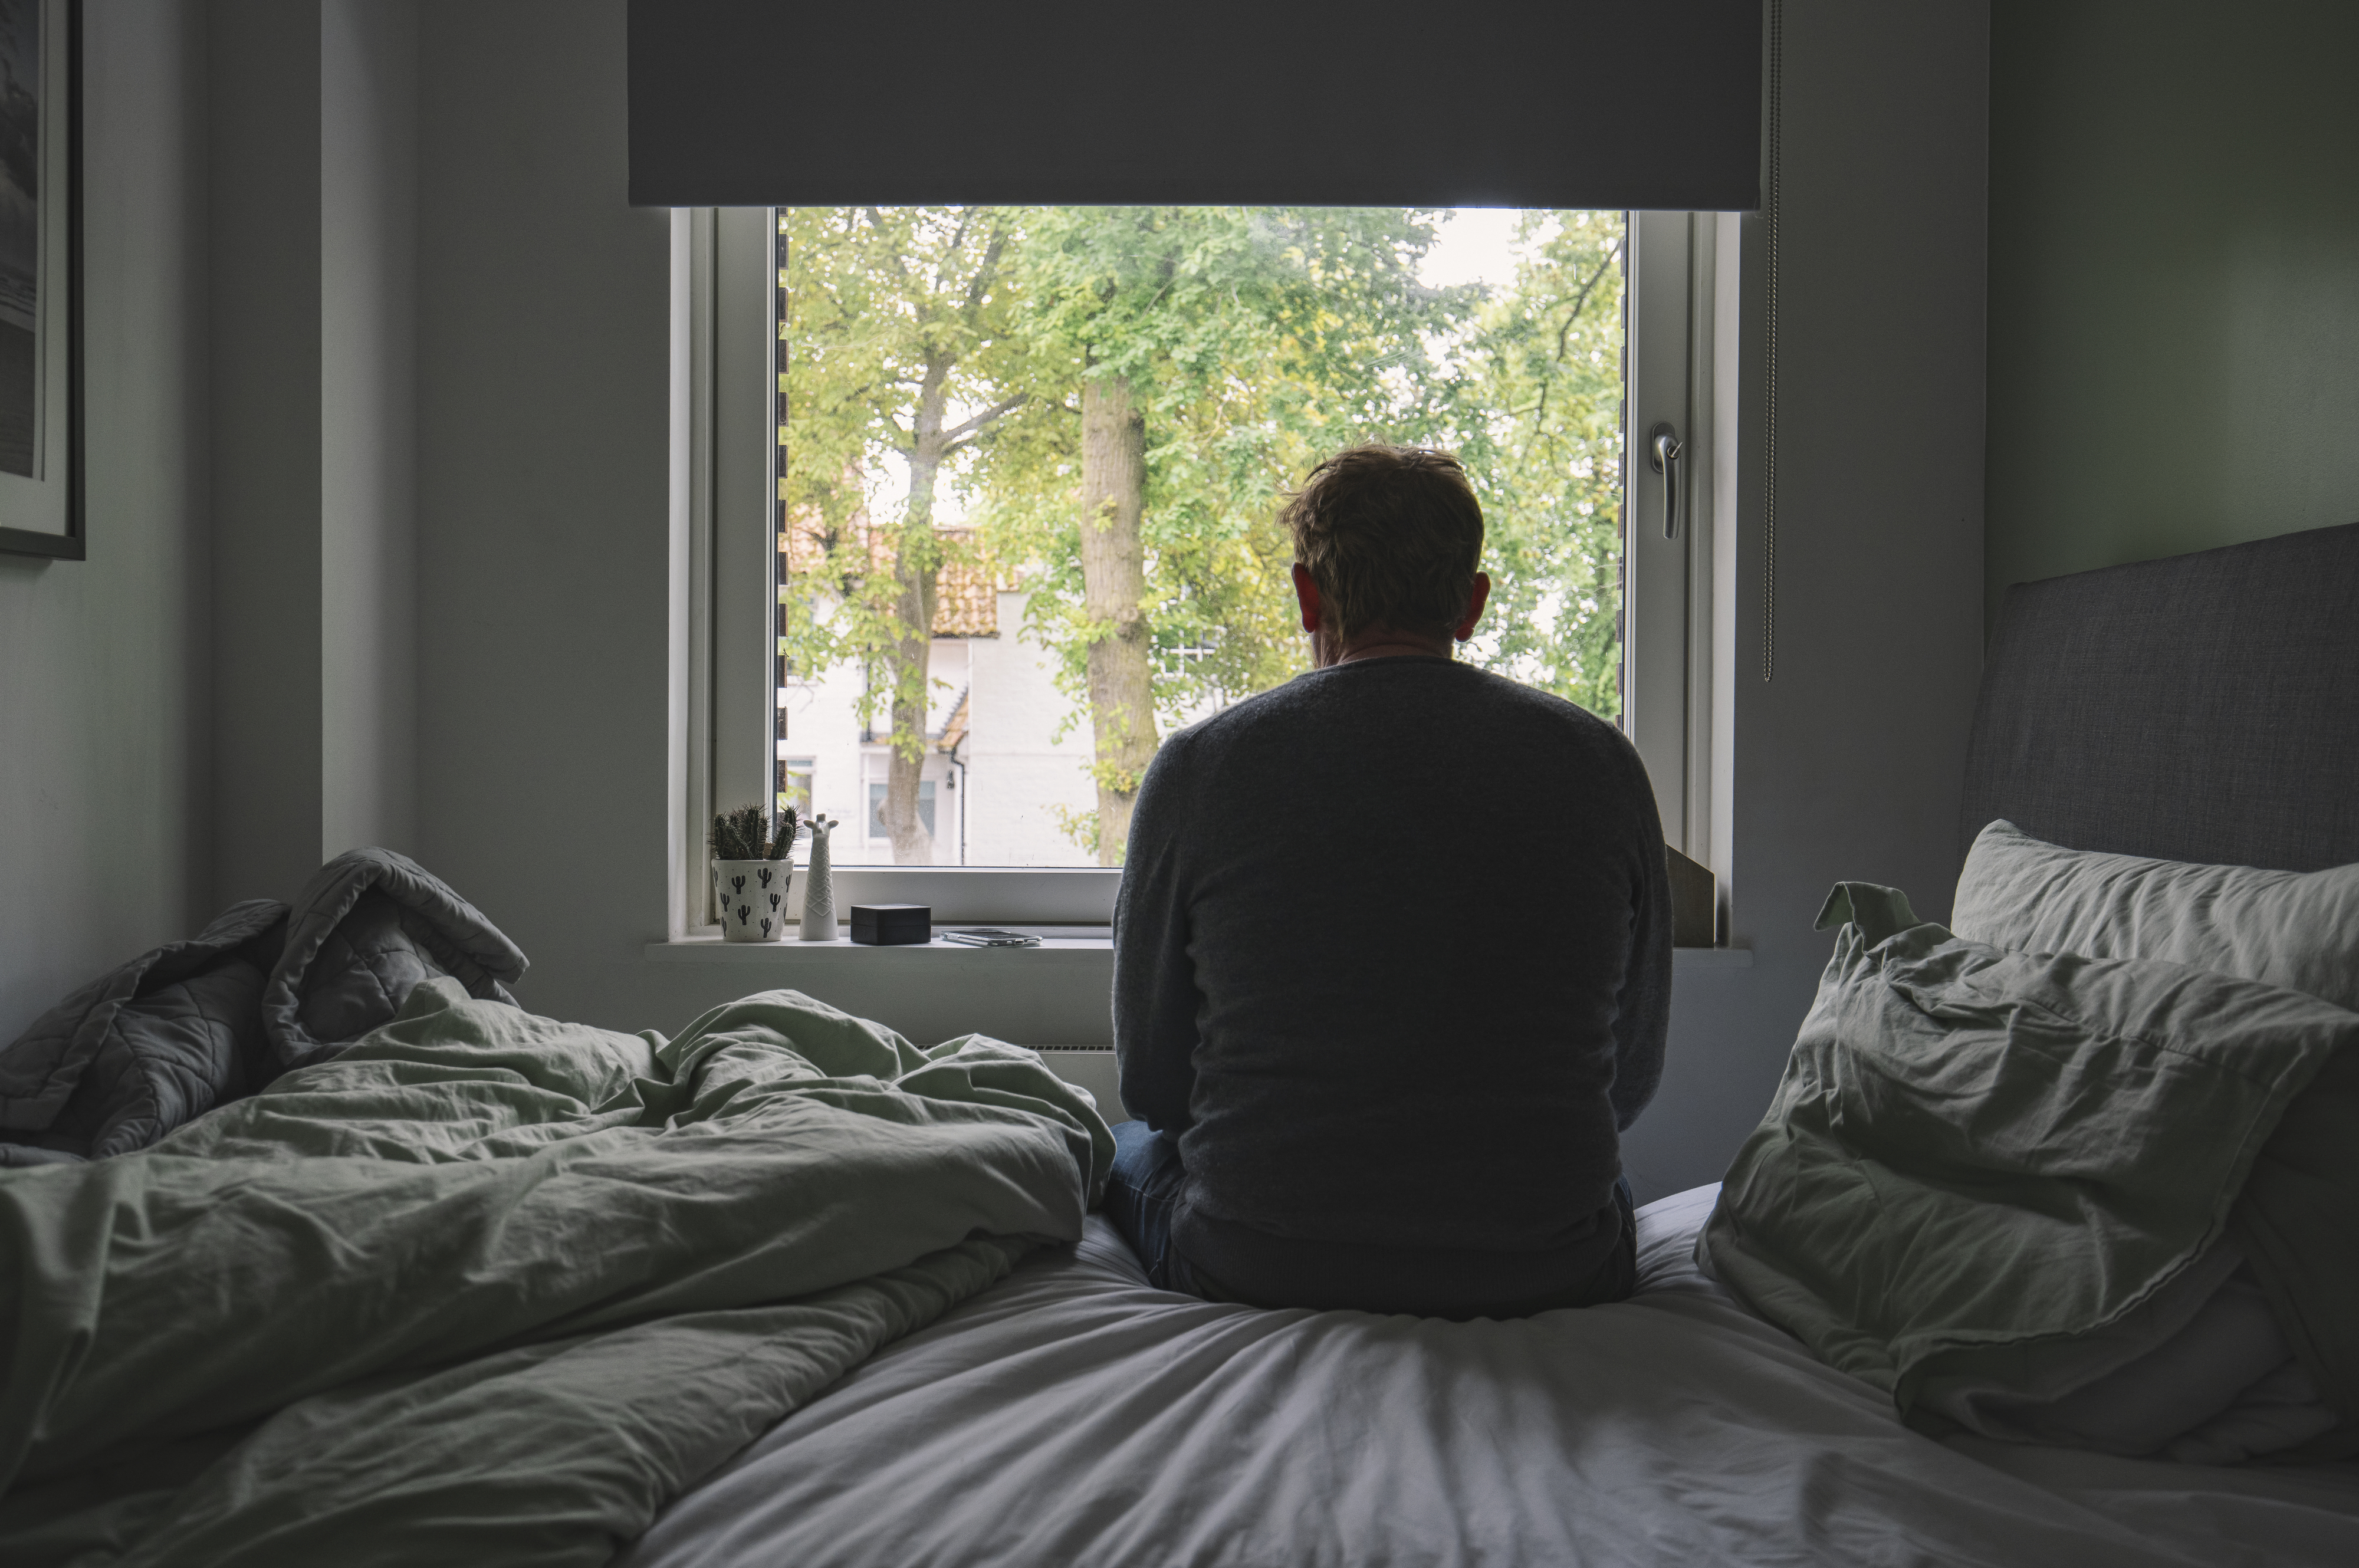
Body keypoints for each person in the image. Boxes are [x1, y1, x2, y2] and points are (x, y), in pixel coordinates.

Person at [1106, 443, 1671, 1319]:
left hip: (1259, 1260)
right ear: (1472, 605)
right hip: (1547, 1268)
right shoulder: (1603, 765)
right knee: (1612, 1192)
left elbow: (1150, 1082)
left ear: (1307, 596)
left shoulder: (1200, 769)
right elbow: (1628, 1078)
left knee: (1124, 1150)